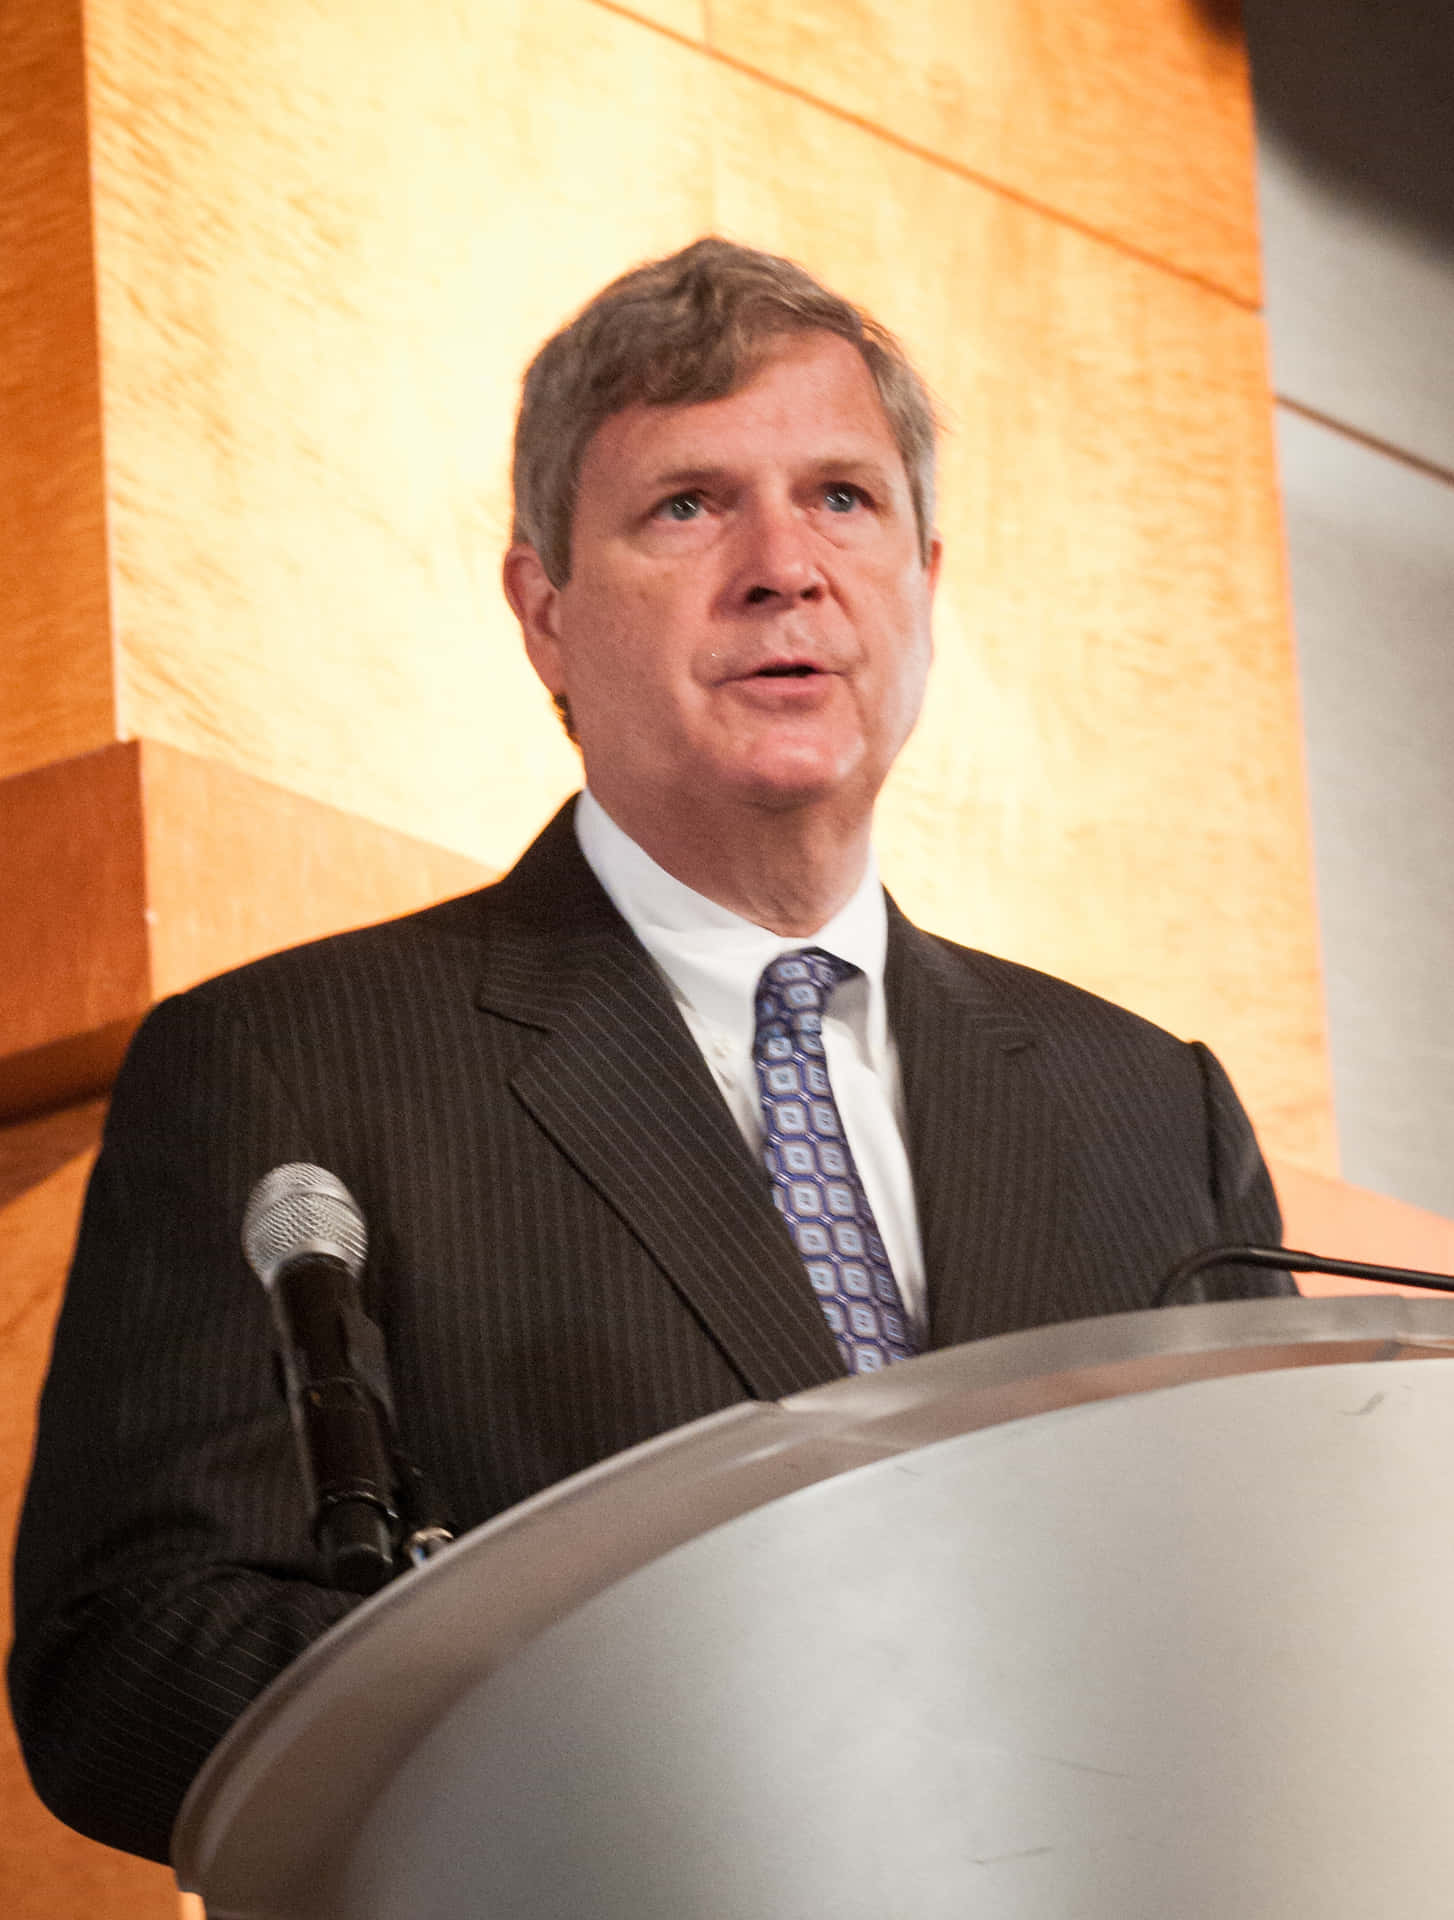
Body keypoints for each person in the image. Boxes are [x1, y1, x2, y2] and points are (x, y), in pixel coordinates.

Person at [9, 238, 1292, 1864]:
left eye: (841, 498)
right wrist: (625, 1719)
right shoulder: (291, 1062)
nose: (782, 566)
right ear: (543, 614)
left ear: (921, 581)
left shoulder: (1144, 1105)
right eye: (687, 507)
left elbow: (1285, 1615)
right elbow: (127, 1663)